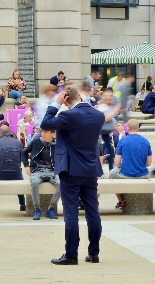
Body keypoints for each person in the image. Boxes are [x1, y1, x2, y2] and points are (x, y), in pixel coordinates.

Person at [41, 87, 105, 265]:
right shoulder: (98, 115)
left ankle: (71, 255)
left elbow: (45, 124)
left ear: (66, 97)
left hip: (70, 170)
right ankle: (94, 253)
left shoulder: (68, 116)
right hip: (91, 169)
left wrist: (56, 104)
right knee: (92, 211)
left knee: (71, 213)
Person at [110, 119, 152, 209]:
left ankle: (120, 201)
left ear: (128, 128)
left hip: (126, 174)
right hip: (143, 174)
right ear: (138, 128)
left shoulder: (122, 141)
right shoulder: (146, 141)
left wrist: (125, 166)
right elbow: (149, 163)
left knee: (112, 173)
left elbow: (117, 163)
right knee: (149, 171)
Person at [22, 129, 60, 220]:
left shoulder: (58, 144)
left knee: (63, 183)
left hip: (52, 171)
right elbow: (23, 152)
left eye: (46, 132)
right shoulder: (36, 142)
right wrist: (27, 166)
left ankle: (50, 208)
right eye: (42, 132)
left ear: (53, 133)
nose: (43, 134)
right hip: (37, 170)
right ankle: (37, 209)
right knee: (34, 182)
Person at [98, 89, 121, 170]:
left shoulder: (108, 106)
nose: (109, 98)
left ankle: (110, 167)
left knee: (111, 151)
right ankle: (110, 168)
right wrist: (115, 110)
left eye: (111, 96)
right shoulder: (102, 107)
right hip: (100, 133)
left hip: (106, 132)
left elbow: (111, 120)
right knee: (109, 151)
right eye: (107, 96)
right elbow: (106, 118)